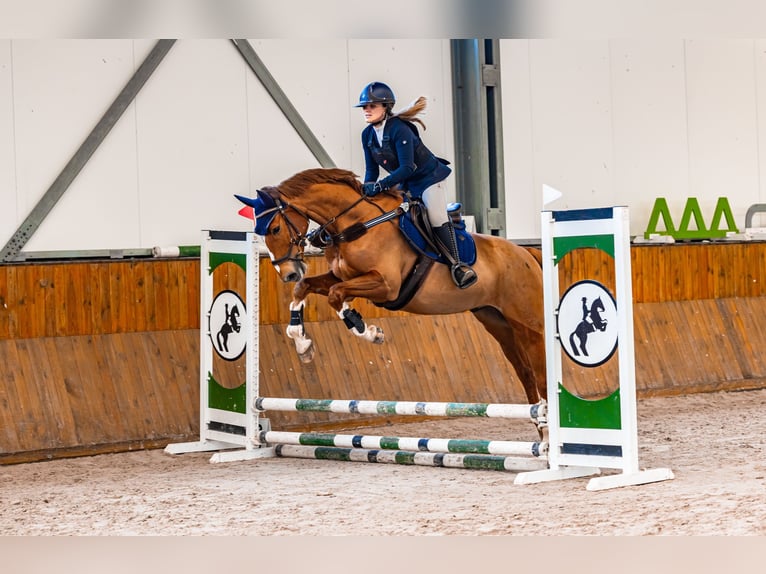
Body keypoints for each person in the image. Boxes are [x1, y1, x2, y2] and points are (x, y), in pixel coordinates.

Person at [355, 81, 477, 289]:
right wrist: (368, 187)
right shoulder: (367, 135)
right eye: (365, 107)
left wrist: (381, 186)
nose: (367, 110)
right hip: (404, 181)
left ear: (386, 107)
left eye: (372, 106)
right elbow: (372, 171)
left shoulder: (399, 129)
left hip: (428, 178)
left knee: (436, 217)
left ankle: (458, 265)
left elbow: (407, 167)